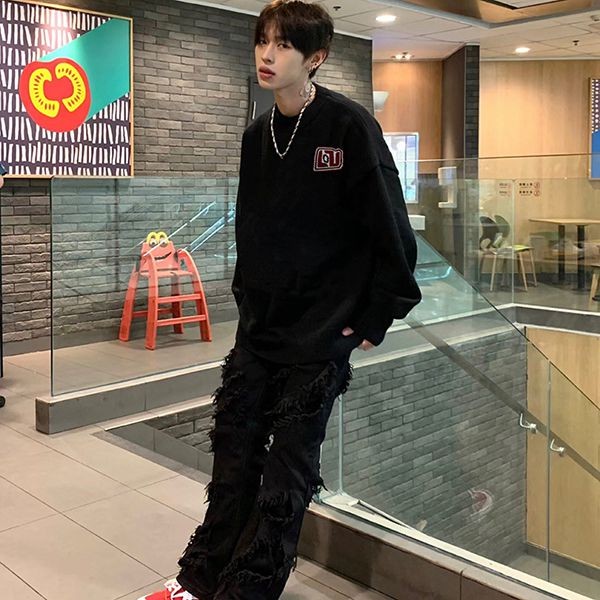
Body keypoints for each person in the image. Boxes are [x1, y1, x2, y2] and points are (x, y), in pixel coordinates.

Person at [140, 1, 421, 599]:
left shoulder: (349, 127)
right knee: (232, 454)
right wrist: (247, 301)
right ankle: (201, 578)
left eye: (284, 45)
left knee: (286, 473)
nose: (267, 55)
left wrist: (373, 317)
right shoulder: (256, 134)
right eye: (262, 41)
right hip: (261, 330)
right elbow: (253, 227)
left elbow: (392, 230)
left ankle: (249, 590)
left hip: (322, 334)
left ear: (315, 58)